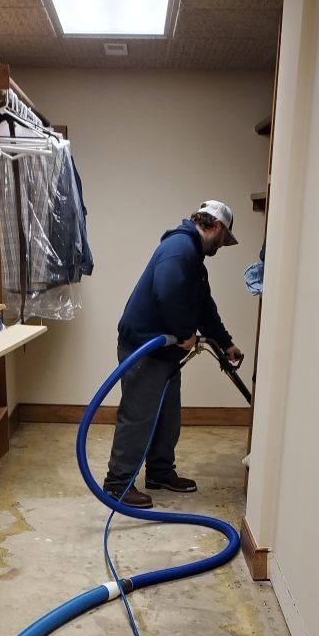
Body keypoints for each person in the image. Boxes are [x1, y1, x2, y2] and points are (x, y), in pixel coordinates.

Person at [103, 200, 243, 509]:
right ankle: (117, 484)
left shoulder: (193, 259)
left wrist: (225, 343)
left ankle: (160, 471)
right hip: (144, 347)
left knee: (168, 416)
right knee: (138, 416)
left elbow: (204, 307)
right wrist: (183, 333)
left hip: (165, 351)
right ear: (218, 227)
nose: (222, 246)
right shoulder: (180, 249)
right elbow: (166, 293)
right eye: (224, 239)